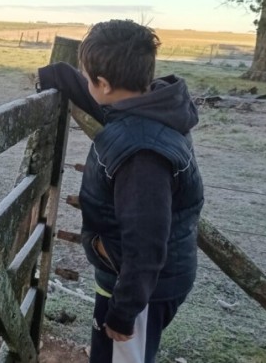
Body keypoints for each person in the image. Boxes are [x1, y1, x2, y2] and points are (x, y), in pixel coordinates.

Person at [36, 20, 204, 363]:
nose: (85, 83)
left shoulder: (141, 156)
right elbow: (99, 98)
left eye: (88, 78)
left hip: (140, 290)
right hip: (130, 279)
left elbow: (146, 245)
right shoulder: (151, 106)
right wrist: (56, 75)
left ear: (106, 84)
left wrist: (124, 312)